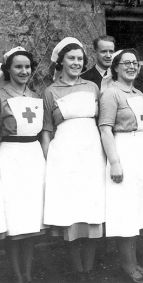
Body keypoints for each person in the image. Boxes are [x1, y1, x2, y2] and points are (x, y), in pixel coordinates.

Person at [42, 37, 106, 280]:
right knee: (71, 212)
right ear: (61, 61)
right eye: (71, 58)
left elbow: (102, 123)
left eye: (80, 59)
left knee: (91, 209)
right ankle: (77, 269)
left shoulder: (92, 87)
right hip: (65, 158)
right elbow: (47, 131)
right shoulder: (50, 91)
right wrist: (50, 163)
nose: (77, 63)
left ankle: (88, 269)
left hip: (91, 156)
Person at [99, 48, 143, 283]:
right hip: (123, 151)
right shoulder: (111, 93)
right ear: (116, 67)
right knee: (124, 211)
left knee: (137, 211)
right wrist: (115, 162)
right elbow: (105, 129)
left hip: (141, 151)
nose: (132, 67)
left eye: (135, 63)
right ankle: (127, 266)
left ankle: (134, 263)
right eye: (126, 63)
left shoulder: (139, 94)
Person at [0, 47, 45, 283]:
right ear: (8, 69)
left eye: (27, 66)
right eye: (18, 66)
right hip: (9, 159)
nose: (24, 71)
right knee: (15, 219)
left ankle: (29, 274)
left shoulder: (36, 95)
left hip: (33, 158)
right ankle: (18, 277)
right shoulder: (1, 95)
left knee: (30, 219)